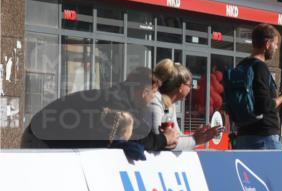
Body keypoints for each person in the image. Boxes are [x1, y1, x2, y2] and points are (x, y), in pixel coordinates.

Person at [21, 66, 179, 153]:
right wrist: (164, 140)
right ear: (144, 92)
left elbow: (140, 131)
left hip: (43, 135)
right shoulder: (117, 102)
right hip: (40, 139)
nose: (153, 98)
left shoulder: (121, 98)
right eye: (153, 94)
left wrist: (160, 139)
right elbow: (139, 136)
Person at [232, 24, 282, 150]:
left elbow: (255, 101)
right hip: (264, 137)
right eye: (275, 44)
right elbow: (265, 105)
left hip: (243, 135)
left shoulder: (242, 65)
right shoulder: (260, 67)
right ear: (268, 44)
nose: (276, 48)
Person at [149, 59, 222, 151]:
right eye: (190, 85)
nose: (191, 89)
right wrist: (196, 139)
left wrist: (197, 138)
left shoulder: (170, 105)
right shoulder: (155, 101)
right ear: (181, 87)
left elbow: (176, 138)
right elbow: (159, 142)